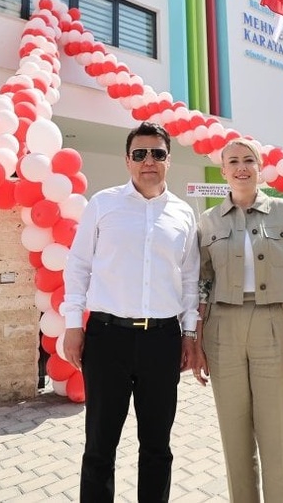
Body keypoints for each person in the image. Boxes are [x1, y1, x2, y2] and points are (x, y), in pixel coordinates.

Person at [62, 122, 201, 502]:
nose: (148, 160)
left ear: (168, 160)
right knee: (99, 447)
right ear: (127, 161)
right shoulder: (102, 204)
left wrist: (190, 334)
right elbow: (78, 266)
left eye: (157, 153)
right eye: (140, 154)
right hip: (107, 339)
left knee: (157, 446)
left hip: (162, 340)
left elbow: (190, 279)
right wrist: (73, 325)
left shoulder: (183, 214)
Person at [191, 138, 283, 503]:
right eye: (233, 162)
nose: (241, 167)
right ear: (223, 171)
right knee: (234, 435)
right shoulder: (208, 221)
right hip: (222, 331)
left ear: (259, 168)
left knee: (278, 433)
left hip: (274, 326)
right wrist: (197, 343)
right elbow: (202, 287)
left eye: (248, 160)